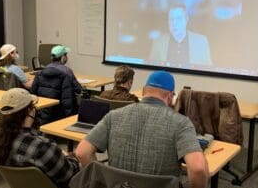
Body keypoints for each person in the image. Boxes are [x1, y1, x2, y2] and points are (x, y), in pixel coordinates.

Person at [75, 71, 209, 188]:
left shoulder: (114, 115)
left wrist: (103, 182)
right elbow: (198, 169)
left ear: (144, 91)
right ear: (170, 96)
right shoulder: (181, 123)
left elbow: (82, 152)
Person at [0, 88, 79, 188]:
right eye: (33, 106)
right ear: (30, 111)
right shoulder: (42, 146)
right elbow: (70, 176)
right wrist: (71, 157)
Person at [31, 45, 82, 124]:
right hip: (61, 112)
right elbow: (78, 89)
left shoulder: (41, 72)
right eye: (66, 55)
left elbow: (33, 92)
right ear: (63, 57)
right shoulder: (67, 71)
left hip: (43, 111)